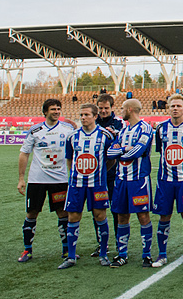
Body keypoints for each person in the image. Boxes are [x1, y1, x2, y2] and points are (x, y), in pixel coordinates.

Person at [17, 98, 75, 263]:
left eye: (58, 109)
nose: (56, 111)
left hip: (60, 180)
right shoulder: (35, 130)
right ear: (45, 112)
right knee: (32, 213)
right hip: (37, 180)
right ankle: (27, 250)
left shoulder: (68, 129)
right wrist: (21, 178)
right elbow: (24, 153)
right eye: (53, 109)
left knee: (63, 213)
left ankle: (66, 250)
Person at [58, 104, 115, 269]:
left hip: (97, 184)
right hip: (76, 184)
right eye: (81, 115)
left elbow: (110, 159)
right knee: (73, 217)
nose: (83, 117)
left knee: (100, 217)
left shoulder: (105, 135)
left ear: (95, 116)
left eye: (87, 115)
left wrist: (102, 172)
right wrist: (72, 175)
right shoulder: (72, 136)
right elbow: (69, 159)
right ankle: (70, 257)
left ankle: (103, 254)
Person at [151, 94, 183, 267]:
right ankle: (162, 255)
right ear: (168, 108)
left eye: (179, 106)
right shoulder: (161, 128)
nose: (175, 108)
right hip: (165, 181)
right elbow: (160, 151)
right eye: (172, 106)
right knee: (164, 216)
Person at [108, 98, 155, 267]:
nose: (120, 111)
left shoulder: (145, 128)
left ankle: (146, 255)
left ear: (129, 109)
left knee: (143, 216)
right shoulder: (123, 131)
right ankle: (122, 254)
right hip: (121, 180)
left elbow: (136, 152)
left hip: (139, 180)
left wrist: (122, 151)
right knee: (122, 216)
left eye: (122, 108)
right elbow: (109, 152)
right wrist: (123, 150)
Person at [91, 94, 124, 258]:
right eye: (100, 108)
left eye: (106, 108)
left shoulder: (120, 124)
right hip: (95, 176)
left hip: (115, 174)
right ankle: (101, 244)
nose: (103, 111)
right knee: (97, 211)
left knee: (116, 209)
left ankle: (119, 243)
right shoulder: (92, 123)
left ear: (112, 108)